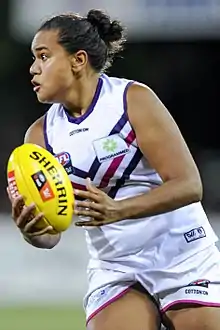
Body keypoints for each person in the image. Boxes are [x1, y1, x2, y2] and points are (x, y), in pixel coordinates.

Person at [7, 8, 220, 330]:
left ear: (78, 60)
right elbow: (51, 236)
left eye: (44, 56)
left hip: (183, 254)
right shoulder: (40, 136)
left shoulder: (131, 100)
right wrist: (32, 230)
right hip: (117, 266)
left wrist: (119, 210)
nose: (33, 69)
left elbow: (189, 185)